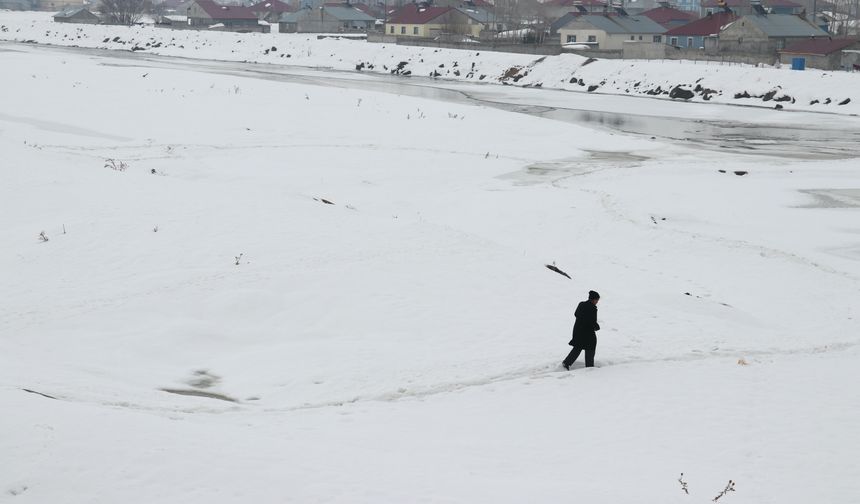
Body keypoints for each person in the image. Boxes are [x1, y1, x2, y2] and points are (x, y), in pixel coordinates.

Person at [562, 290, 601, 370]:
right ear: (594, 299)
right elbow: (592, 321)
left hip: (578, 330)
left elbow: (576, 314)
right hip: (587, 332)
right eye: (597, 300)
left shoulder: (581, 304)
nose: (597, 302)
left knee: (578, 347)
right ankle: (589, 367)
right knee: (591, 347)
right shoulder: (592, 308)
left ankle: (566, 363)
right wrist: (597, 327)